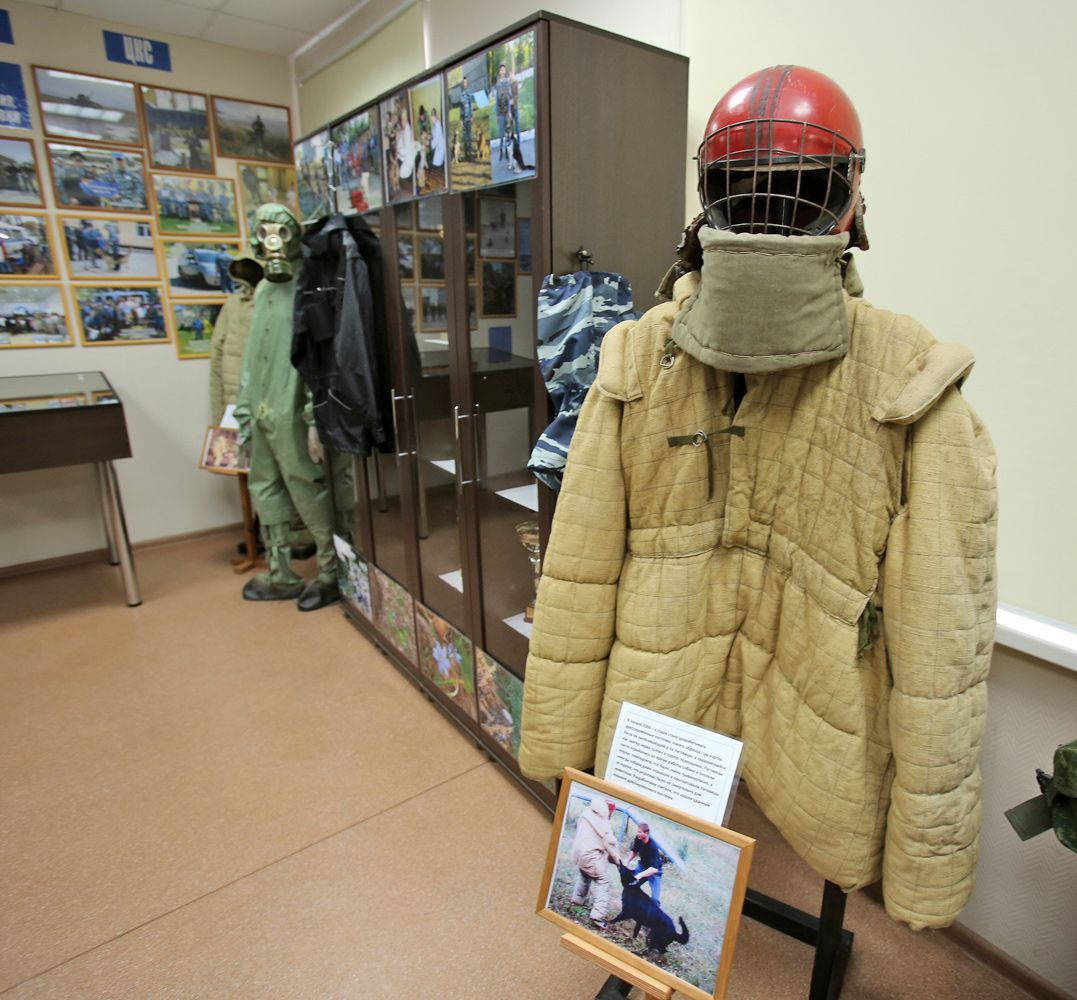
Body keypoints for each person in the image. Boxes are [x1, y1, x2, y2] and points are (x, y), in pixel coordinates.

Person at [569, 797, 620, 928]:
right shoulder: (603, 823)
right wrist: (618, 861)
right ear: (609, 811)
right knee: (603, 881)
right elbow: (610, 844)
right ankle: (597, 916)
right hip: (590, 856)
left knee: (585, 875)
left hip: (578, 853)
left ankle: (577, 900)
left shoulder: (587, 812)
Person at [623, 822, 664, 904]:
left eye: (640, 832)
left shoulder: (652, 847)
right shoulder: (638, 839)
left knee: (655, 900)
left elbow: (654, 869)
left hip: (654, 873)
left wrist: (640, 875)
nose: (637, 834)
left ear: (646, 833)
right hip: (642, 866)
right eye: (637, 831)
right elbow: (634, 851)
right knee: (630, 885)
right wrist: (627, 861)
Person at [494, 63, 512, 163]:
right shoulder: (497, 84)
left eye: (504, 70)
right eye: (501, 70)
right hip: (500, 113)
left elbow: (509, 97)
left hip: (506, 112)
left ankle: (506, 152)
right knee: (501, 133)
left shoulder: (507, 82)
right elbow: (496, 99)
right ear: (499, 71)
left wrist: (509, 111)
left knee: (507, 133)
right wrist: (497, 114)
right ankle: (501, 151)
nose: (503, 72)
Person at [459, 76, 474, 161]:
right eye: (463, 82)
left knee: (469, 136)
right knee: (465, 137)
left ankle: (470, 154)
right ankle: (466, 155)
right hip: (464, 118)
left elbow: (471, 104)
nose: (464, 84)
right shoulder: (461, 94)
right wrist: (461, 119)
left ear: (467, 83)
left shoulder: (469, 92)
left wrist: (472, 116)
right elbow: (461, 108)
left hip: (469, 117)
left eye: (465, 82)